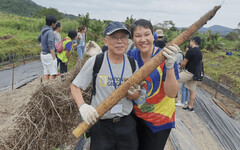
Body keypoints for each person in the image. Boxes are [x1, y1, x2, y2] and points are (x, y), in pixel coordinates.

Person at [71, 21, 139, 150]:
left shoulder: (132, 64)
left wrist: (132, 94)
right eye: (114, 37)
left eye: (123, 37)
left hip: (126, 123)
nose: (119, 41)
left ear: (128, 41)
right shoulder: (96, 61)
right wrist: (82, 106)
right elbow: (75, 86)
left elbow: (136, 95)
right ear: (105, 41)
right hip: (101, 125)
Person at [127, 19, 179, 150]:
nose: (143, 39)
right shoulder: (131, 56)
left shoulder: (165, 56)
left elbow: (172, 93)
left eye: (147, 34)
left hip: (159, 119)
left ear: (153, 36)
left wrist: (170, 66)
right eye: (138, 36)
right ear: (133, 38)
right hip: (136, 116)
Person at [178, 36, 203, 112]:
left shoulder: (190, 51)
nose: (190, 42)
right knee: (192, 90)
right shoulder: (199, 52)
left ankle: (170, 97)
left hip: (188, 73)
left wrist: (180, 69)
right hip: (195, 74)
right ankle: (190, 107)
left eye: (191, 41)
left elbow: (183, 63)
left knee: (173, 78)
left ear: (193, 42)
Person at [37, 15, 57, 81]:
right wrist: (53, 56)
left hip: (43, 54)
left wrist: (43, 45)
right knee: (53, 74)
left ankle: (45, 88)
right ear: (52, 24)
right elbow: (50, 44)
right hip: (49, 55)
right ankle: (50, 89)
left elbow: (39, 39)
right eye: (55, 23)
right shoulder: (50, 32)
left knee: (46, 72)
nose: (55, 25)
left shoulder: (43, 30)